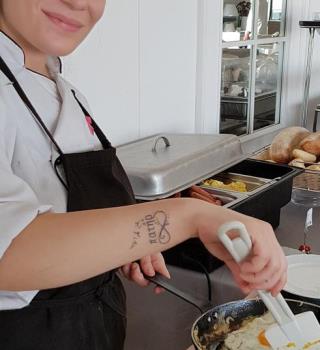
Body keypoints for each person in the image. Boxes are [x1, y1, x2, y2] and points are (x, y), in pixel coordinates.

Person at [0, 1, 287, 349]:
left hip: (92, 324)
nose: (78, 2)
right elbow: (10, 252)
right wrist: (190, 217)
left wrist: (126, 243)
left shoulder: (65, 89)